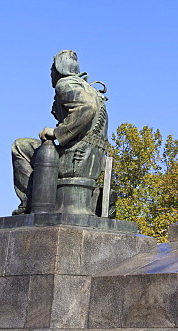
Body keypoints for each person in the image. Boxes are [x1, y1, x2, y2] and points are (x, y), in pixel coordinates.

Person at [11, 50, 109, 214]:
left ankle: (29, 202)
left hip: (74, 160)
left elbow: (87, 107)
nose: (50, 74)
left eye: (52, 69)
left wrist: (57, 132)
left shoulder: (65, 84)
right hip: (92, 162)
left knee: (20, 146)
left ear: (58, 69)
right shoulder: (91, 89)